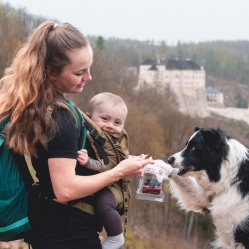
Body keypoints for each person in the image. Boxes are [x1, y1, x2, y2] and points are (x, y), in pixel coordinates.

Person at [0, 21, 154, 249]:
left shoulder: (35, 106)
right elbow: (66, 190)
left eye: (88, 68)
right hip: (69, 232)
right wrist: (119, 171)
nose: (88, 77)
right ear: (51, 72)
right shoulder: (61, 117)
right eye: (79, 72)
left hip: (49, 227)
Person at [77, 92, 129, 249]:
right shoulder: (87, 134)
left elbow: (107, 165)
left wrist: (88, 162)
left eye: (117, 122)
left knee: (103, 204)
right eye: (105, 119)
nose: (111, 125)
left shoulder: (115, 140)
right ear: (89, 116)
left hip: (113, 186)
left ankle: (115, 236)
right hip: (99, 183)